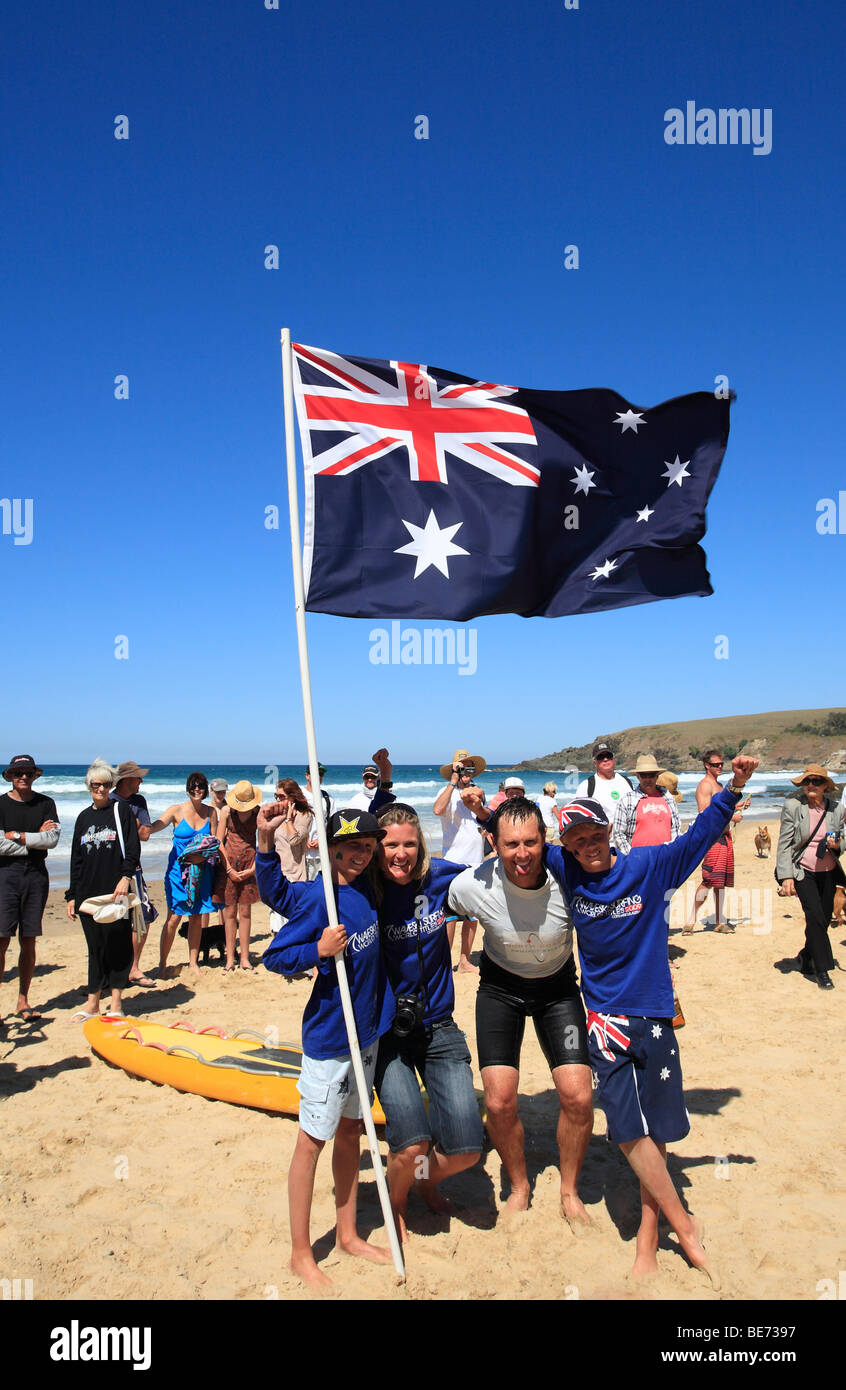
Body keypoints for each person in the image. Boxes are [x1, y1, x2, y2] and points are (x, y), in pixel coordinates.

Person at [546, 753, 758, 1281]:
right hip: (605, 1023)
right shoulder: (568, 870)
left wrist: (732, 786)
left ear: (608, 833)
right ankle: (683, 1224)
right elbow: (518, 848)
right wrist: (484, 812)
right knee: (624, 1128)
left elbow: (699, 837)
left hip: (656, 1015)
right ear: (568, 848)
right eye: (576, 842)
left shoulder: (648, 865)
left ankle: (646, 1238)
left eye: (593, 836)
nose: (587, 847)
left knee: (655, 1131)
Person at [256, 803, 395, 1289]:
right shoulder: (322, 900)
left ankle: (348, 1234)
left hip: (370, 1033)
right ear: (330, 850)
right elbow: (274, 956)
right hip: (331, 1040)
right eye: (349, 847)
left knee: (352, 1133)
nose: (359, 855)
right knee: (311, 1141)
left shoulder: (369, 892)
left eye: (366, 847)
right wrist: (316, 951)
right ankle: (299, 1252)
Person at [447, 797, 593, 1222]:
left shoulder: (568, 880)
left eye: (531, 842)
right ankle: (519, 1185)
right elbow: (424, 910)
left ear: (545, 840)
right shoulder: (472, 885)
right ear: (492, 842)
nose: (522, 854)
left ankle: (569, 1191)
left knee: (579, 1097)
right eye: (511, 844)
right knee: (499, 1103)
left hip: (558, 992)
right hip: (500, 991)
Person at [370, 772, 483, 1241]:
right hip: (388, 1033)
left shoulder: (441, 876)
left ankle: (423, 1180)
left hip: (438, 1025)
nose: (400, 854)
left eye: (409, 844)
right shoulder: (364, 891)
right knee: (412, 1141)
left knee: (466, 1148)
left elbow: (502, 868)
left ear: (422, 846)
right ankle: (397, 1204)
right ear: (377, 850)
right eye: (390, 845)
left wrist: (483, 813)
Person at [65, 760, 141, 1022]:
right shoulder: (83, 818)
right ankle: (93, 1004)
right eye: (95, 784)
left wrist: (125, 877)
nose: (100, 789)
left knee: (118, 946)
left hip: (115, 891)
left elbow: (132, 848)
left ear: (111, 786)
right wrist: (72, 895)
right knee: (95, 949)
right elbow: (76, 858)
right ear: (89, 786)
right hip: (88, 893)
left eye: (105, 784)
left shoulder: (121, 812)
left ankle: (117, 1003)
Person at [0, 753, 60, 1024]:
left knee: (29, 940)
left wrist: (15, 835)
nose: (23, 776)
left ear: (35, 775)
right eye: (18, 773)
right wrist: (34, 839)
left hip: (36, 875)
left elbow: (52, 839)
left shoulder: (46, 804)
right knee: (1, 941)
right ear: (10, 776)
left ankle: (23, 1000)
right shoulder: (0, 805)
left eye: (28, 772)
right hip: (5, 875)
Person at [776, 764, 844, 990]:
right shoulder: (793, 807)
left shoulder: (837, 809)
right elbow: (784, 844)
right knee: (814, 916)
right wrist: (786, 876)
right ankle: (821, 969)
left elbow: (844, 839)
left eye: (816, 781)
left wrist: (839, 844)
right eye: (807, 782)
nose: (811, 785)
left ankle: (805, 956)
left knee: (822, 920)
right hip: (802, 871)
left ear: (826, 786)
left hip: (828, 872)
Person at [148, 772, 219, 977]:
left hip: (202, 872)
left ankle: (193, 963)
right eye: (193, 786)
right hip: (178, 873)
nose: (197, 790)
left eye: (200, 786)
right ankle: (162, 964)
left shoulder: (210, 812)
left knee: (197, 917)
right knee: (174, 917)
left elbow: (214, 841)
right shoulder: (176, 810)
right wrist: (141, 828)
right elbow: (156, 826)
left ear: (205, 789)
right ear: (188, 788)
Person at [433, 749, 489, 974]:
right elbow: (437, 809)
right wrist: (452, 782)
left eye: (469, 767)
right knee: (450, 915)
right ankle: (445, 960)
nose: (466, 771)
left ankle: (465, 960)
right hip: (452, 861)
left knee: (472, 915)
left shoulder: (478, 791)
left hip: (476, 862)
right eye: (461, 767)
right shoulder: (446, 791)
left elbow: (484, 817)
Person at [683, 750, 743, 934]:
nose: (719, 767)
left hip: (724, 837)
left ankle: (719, 920)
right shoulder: (705, 786)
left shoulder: (718, 785)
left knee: (720, 881)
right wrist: (733, 816)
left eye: (721, 764)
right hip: (713, 840)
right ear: (706, 765)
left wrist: (737, 806)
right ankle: (691, 920)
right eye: (715, 764)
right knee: (709, 880)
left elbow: (722, 809)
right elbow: (705, 814)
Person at [110, 761, 157, 987]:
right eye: (138, 778)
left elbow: (145, 834)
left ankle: (134, 967)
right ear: (127, 780)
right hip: (110, 868)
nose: (141, 781)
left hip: (134, 867)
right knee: (114, 920)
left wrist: (134, 824)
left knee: (143, 917)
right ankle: (114, 970)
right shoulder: (109, 801)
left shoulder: (138, 801)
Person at [216, 780, 261, 972]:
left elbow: (266, 843)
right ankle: (229, 958)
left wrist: (253, 868)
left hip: (249, 865)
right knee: (229, 913)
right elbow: (218, 841)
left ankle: (244, 957)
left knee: (245, 912)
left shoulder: (258, 812)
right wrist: (228, 869)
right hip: (229, 865)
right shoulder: (227, 811)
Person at [613, 756, 681, 854]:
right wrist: (631, 857)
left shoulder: (668, 797)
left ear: (657, 776)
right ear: (638, 776)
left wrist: (674, 853)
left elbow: (676, 829)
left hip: (666, 858)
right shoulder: (627, 801)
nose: (648, 779)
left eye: (651, 775)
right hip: (639, 862)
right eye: (644, 775)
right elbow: (618, 834)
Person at [575, 742, 633, 822]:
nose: (605, 759)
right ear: (595, 763)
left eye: (608, 756)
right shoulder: (586, 786)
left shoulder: (626, 782)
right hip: (602, 833)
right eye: (600, 757)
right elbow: (579, 817)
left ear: (613, 759)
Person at [303, 763, 336, 879]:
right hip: (302, 855)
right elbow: (290, 821)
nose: (318, 776)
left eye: (321, 774)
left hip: (322, 854)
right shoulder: (299, 797)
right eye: (315, 773)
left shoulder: (328, 798)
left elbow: (333, 824)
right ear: (307, 776)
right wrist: (303, 839)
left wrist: (322, 838)